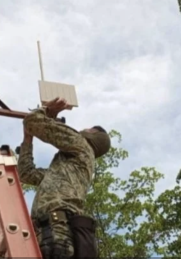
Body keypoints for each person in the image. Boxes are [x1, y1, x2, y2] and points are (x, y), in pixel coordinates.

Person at [17, 97, 111, 259]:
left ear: (93, 135)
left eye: (88, 128)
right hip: (49, 231)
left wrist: (48, 112)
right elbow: (26, 173)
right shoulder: (65, 171)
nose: (83, 129)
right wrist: (27, 140)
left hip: (56, 229)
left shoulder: (82, 144)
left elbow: (32, 121)